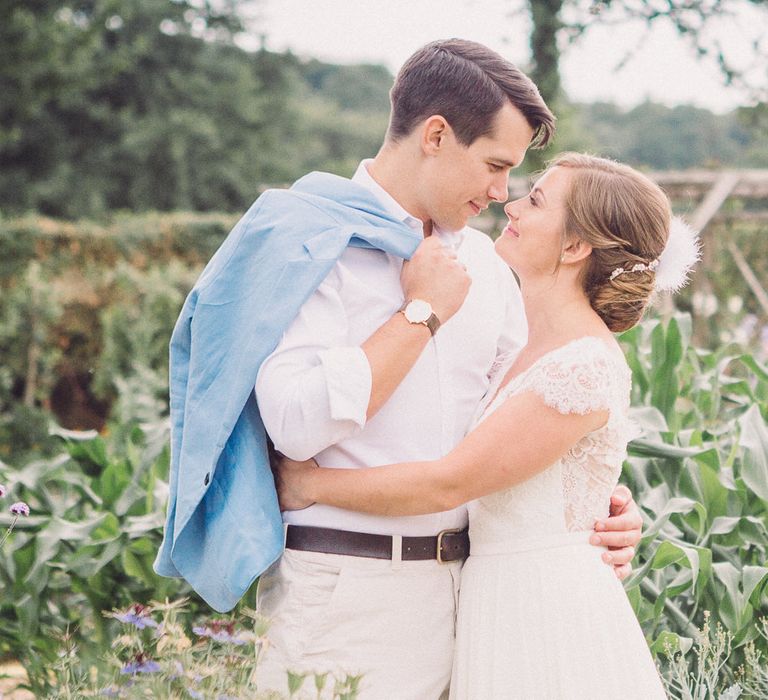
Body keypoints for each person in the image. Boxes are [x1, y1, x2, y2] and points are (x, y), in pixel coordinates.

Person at [253, 41, 643, 698]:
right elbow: (294, 426)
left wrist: (598, 510)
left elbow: (508, 429)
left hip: (471, 607)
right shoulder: (313, 243)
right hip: (342, 594)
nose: (501, 194)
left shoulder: (491, 271)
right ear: (436, 134)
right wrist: (422, 311)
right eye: (495, 165)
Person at [277, 153, 702, 699]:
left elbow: (450, 481)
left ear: (574, 247)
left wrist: (309, 484)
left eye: (537, 200)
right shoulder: (524, 340)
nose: (512, 204)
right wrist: (599, 500)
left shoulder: (582, 365)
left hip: (542, 611)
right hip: (491, 597)